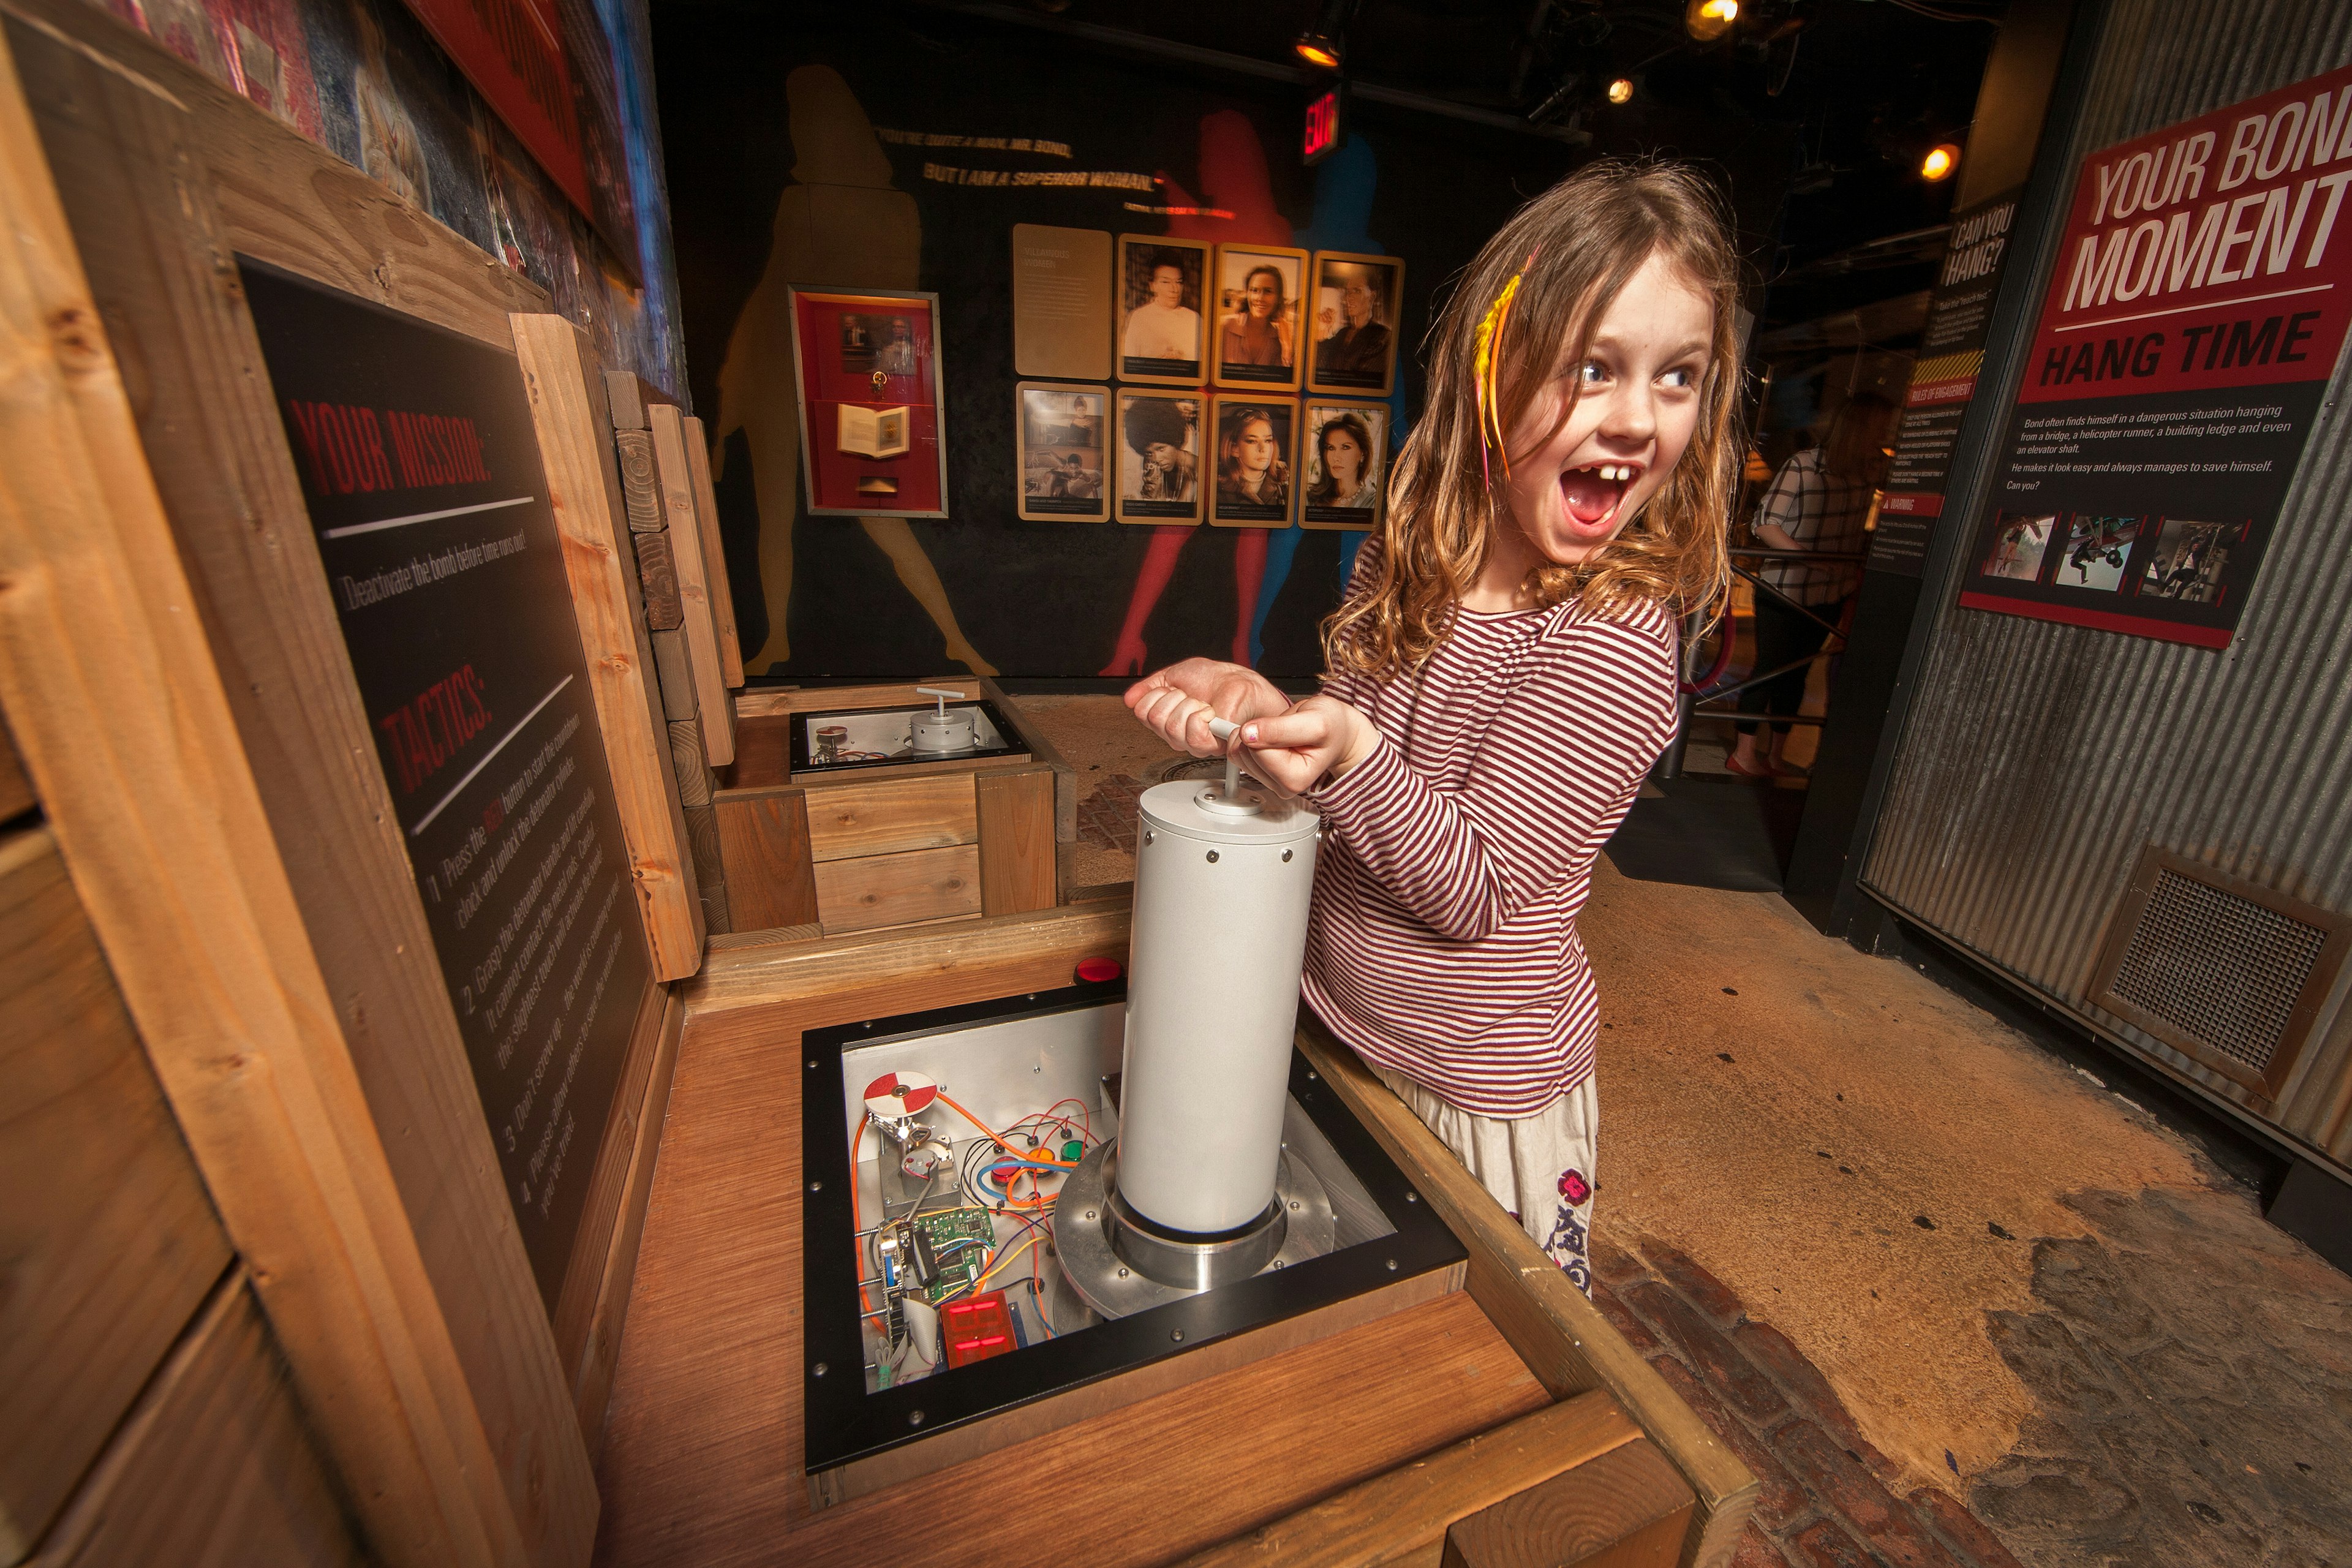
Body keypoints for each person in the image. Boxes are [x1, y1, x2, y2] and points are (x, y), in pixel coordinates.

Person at [1123, 160, 1738, 1291]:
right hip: (1331, 1011)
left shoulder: (1612, 638)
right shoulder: (1416, 561)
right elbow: (1351, 733)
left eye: (1678, 377)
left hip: (1474, 1086)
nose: (1638, 419)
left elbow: (1474, 888)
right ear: (1493, 369)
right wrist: (1280, 717)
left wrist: (1348, 756)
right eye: (1594, 367)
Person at [1727, 393, 1895, 780]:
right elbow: (1766, 524)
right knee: (1770, 669)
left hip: (1831, 592)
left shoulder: (1874, 469)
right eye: (1881, 427)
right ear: (1860, 429)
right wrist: (1810, 557)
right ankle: (1744, 753)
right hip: (1784, 589)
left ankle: (1775, 755)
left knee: (1799, 674)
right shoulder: (1803, 466)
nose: (1887, 434)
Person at [1316, 263, 1392, 380]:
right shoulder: (1342, 334)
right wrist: (1323, 328)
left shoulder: (1382, 337)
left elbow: (1361, 381)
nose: (1350, 297)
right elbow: (1318, 367)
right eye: (1348, 292)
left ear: (1372, 296)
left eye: (1357, 291)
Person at [1123, 256, 1202, 363]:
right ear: (1153, 286)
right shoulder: (1140, 317)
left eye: (1178, 282)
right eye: (1166, 282)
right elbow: (1129, 362)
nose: (1174, 289)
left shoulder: (1194, 319)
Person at [1220, 264, 1295, 369]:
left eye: (1268, 291)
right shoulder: (1224, 327)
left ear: (1278, 298)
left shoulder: (1280, 338)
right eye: (1254, 290)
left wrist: (1287, 346)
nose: (1260, 298)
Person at [1216, 407, 1289, 513]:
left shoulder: (1284, 487)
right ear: (1234, 449)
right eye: (1252, 441)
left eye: (1268, 440)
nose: (1263, 449)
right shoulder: (1219, 491)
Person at [1124, 397, 1196, 502]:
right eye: (1149, 452)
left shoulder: (1197, 470)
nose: (1156, 459)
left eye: (1161, 449)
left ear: (1176, 441)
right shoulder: (1151, 464)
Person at [1307, 411, 1378, 510]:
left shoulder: (1373, 500)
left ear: (1363, 453)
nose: (1336, 457)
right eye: (1331, 448)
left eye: (1345, 447)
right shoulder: (1310, 497)